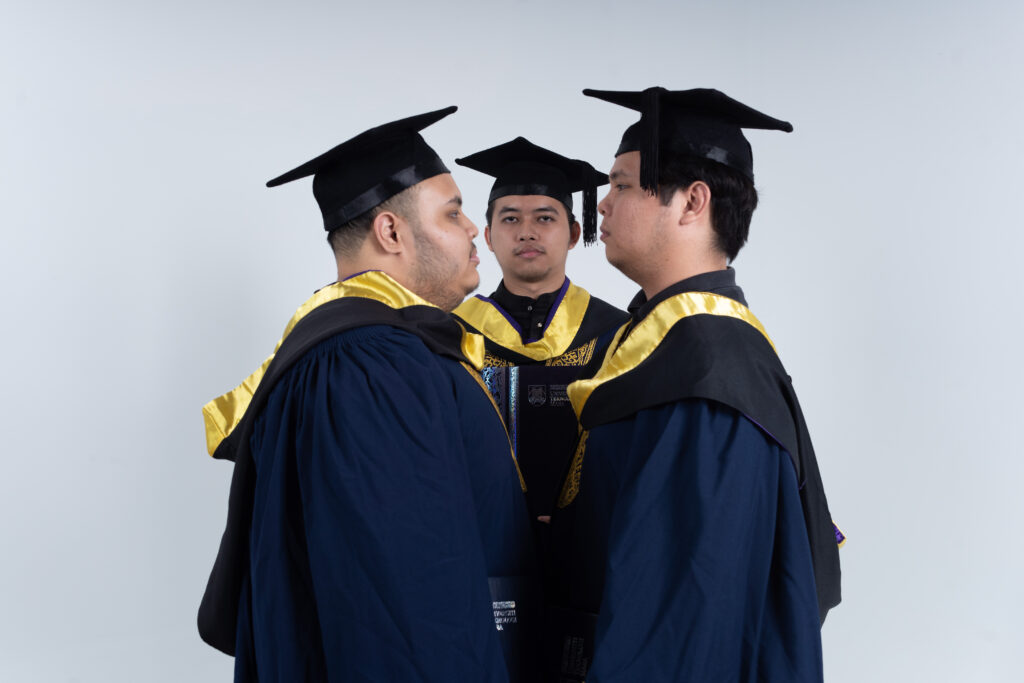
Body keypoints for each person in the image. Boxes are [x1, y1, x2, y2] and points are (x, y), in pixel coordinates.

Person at [197, 107, 536, 682]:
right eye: (452, 213)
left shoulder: (377, 351)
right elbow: (404, 612)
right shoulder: (370, 367)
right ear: (391, 232)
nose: (473, 230)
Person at [548, 88, 843, 683]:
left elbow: (684, 618)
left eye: (622, 185)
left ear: (691, 202)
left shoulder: (706, 371)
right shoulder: (672, 347)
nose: (603, 204)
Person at [451, 137, 627, 525]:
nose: (527, 232)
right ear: (488, 237)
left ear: (574, 233)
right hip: (480, 540)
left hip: (591, 541)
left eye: (545, 218)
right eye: (510, 219)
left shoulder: (618, 334)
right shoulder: (453, 334)